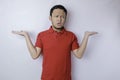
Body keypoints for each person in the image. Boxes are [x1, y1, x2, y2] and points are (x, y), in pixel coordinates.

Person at [12, 5, 98, 80]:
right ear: (50, 18)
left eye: (62, 17)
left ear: (65, 18)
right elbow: (34, 55)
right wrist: (26, 36)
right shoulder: (42, 35)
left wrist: (86, 36)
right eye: (56, 16)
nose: (59, 19)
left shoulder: (71, 36)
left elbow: (79, 55)